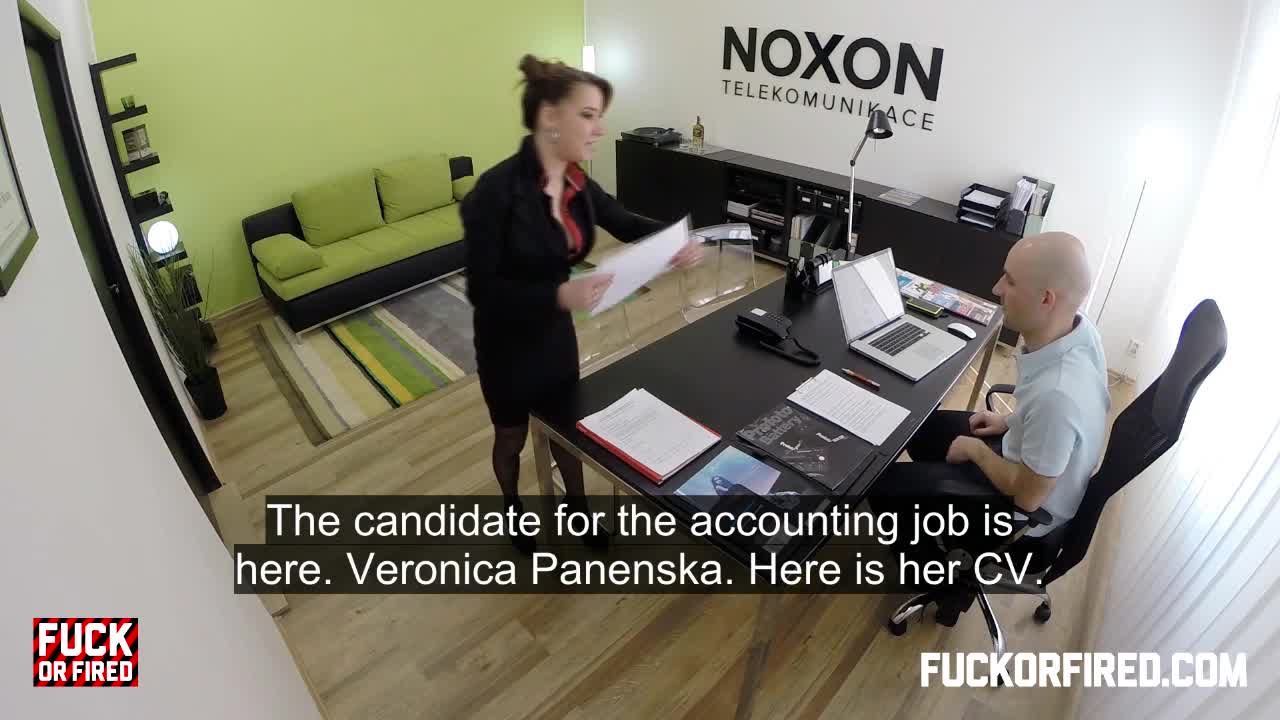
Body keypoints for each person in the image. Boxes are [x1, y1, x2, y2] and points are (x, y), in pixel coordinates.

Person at [460, 54, 701, 553]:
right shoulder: (494, 193)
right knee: (512, 437)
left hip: (554, 335)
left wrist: (673, 240)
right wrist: (557, 294)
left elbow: (623, 220)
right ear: (550, 116)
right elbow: (482, 290)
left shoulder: (576, 182)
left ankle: (577, 509)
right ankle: (513, 509)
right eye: (588, 115)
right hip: (506, 342)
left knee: (566, 428)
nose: (600, 128)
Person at [871, 231, 1109, 623]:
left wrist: (977, 451)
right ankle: (934, 525)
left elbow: (1027, 497)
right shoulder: (1080, 333)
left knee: (882, 488)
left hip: (1022, 518)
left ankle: (944, 580)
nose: (997, 288)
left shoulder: (1058, 395)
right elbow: (1050, 419)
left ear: (1046, 299)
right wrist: (1011, 421)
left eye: (1011, 281)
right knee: (920, 428)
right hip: (1032, 458)